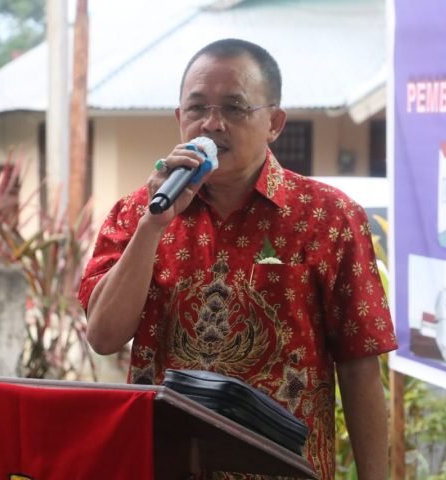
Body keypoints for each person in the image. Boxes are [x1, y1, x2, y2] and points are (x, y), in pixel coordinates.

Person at [78, 38, 398, 480]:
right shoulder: (139, 212)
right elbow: (103, 337)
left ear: (275, 123)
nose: (212, 124)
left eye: (234, 108)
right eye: (197, 108)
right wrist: (153, 226)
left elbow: (359, 364)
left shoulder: (330, 216)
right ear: (179, 119)